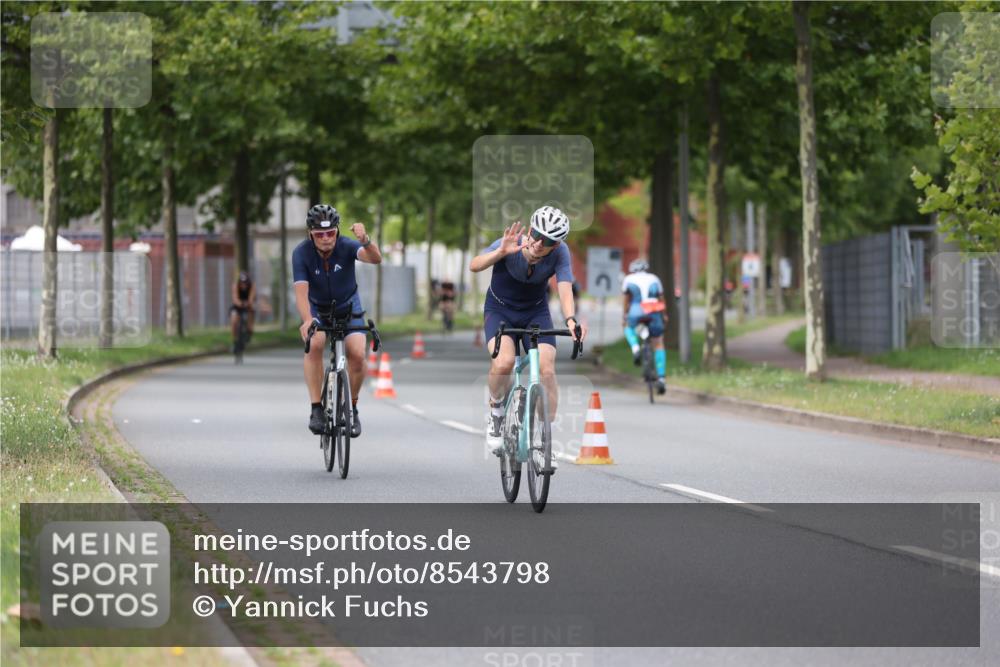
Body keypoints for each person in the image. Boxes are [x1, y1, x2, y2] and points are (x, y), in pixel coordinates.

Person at [469, 205, 586, 454]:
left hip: (535, 312)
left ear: (556, 245)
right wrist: (500, 252)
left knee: (547, 369)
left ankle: (545, 438)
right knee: (504, 363)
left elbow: (565, 287)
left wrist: (571, 320)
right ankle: (496, 412)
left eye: (548, 241)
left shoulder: (560, 253)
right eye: (537, 234)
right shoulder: (510, 242)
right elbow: (475, 265)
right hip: (499, 310)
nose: (539, 243)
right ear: (530, 230)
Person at [293, 204, 382, 436]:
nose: (325, 238)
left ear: (337, 231)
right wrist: (307, 320)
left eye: (330, 233)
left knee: (358, 354)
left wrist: (365, 240)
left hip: (348, 306)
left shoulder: (347, 246)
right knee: (315, 343)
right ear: (310, 234)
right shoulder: (301, 253)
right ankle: (316, 409)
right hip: (317, 309)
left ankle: (352, 408)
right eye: (319, 234)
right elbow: (301, 293)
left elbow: (375, 259)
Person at [622, 258, 667, 394]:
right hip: (653, 310)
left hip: (636, 310)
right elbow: (661, 298)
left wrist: (624, 316)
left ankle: (635, 348)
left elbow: (626, 300)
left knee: (628, 327)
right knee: (658, 343)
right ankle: (661, 378)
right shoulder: (655, 278)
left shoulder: (628, 279)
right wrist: (664, 315)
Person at [230, 271, 256, 348]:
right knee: (234, 320)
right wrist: (240, 303)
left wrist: (249, 303)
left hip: (248, 304)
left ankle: (249, 331)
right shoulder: (235, 285)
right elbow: (235, 298)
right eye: (242, 283)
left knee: (251, 313)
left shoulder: (252, 286)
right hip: (238, 305)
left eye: (245, 283)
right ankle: (235, 340)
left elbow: (251, 297)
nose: (243, 285)